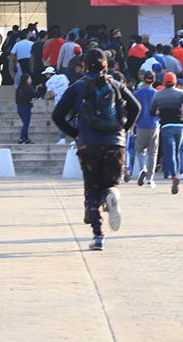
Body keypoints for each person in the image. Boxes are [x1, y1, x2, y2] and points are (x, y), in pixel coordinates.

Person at [52, 48, 141, 251]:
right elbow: (136, 107)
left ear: (84, 65)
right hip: (115, 144)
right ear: (105, 65)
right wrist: (123, 130)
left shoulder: (77, 87)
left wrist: (75, 133)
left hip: (89, 144)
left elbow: (57, 115)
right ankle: (111, 194)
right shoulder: (116, 84)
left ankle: (98, 235)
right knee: (109, 184)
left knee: (91, 189)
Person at [149, 73, 183, 195]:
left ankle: (174, 175)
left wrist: (158, 113)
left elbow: (151, 111)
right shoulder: (180, 94)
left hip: (166, 126)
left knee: (170, 153)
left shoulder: (158, 94)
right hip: (179, 126)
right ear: (175, 82)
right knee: (177, 152)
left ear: (164, 82)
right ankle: (177, 173)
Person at [132, 71, 160, 188]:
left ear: (143, 80)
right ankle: (150, 179)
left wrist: (133, 124)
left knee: (139, 149)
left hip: (141, 124)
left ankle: (142, 168)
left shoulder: (137, 93)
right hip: (154, 124)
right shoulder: (157, 93)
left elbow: (134, 109)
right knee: (152, 152)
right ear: (154, 80)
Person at [43, 66, 70, 144]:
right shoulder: (63, 76)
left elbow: (51, 94)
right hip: (69, 100)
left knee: (60, 120)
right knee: (72, 120)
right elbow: (68, 84)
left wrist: (46, 97)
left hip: (59, 102)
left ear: (49, 74)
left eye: (46, 74)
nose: (46, 76)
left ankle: (62, 139)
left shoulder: (48, 82)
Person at [15, 74, 35, 144]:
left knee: (25, 123)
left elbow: (16, 99)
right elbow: (34, 94)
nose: (31, 80)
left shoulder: (18, 88)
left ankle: (26, 138)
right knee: (26, 123)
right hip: (26, 107)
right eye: (30, 79)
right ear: (27, 79)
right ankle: (22, 138)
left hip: (19, 107)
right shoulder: (28, 87)